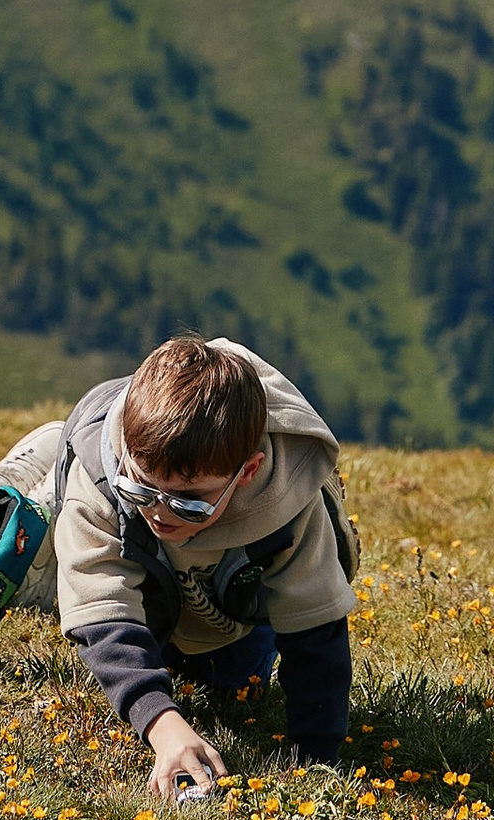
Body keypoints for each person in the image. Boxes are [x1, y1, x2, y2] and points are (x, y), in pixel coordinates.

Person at [28, 333, 358, 796]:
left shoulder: (290, 503)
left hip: (225, 608)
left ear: (246, 472)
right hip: (139, 579)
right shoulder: (102, 479)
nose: (161, 512)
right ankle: (31, 479)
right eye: (142, 489)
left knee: (234, 685)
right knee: (38, 566)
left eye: (191, 502)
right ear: (125, 447)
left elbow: (315, 626)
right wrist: (162, 723)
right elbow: (102, 609)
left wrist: (316, 763)